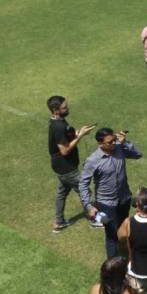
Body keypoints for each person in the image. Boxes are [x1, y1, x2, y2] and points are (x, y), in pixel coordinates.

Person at [79, 128, 143, 258]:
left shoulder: (120, 148)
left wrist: (125, 143)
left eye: (115, 140)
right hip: (106, 204)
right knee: (111, 235)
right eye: (110, 142)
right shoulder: (93, 160)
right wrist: (88, 206)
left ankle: (124, 255)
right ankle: (113, 267)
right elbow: (83, 184)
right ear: (100, 143)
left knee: (123, 229)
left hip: (124, 199)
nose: (114, 143)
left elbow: (138, 154)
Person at [47, 95, 95, 233]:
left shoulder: (57, 121)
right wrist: (80, 136)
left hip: (61, 167)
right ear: (55, 110)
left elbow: (65, 139)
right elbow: (65, 150)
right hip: (67, 168)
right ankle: (93, 219)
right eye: (64, 107)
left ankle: (59, 222)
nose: (67, 108)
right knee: (84, 190)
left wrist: (78, 133)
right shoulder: (58, 126)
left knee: (62, 193)